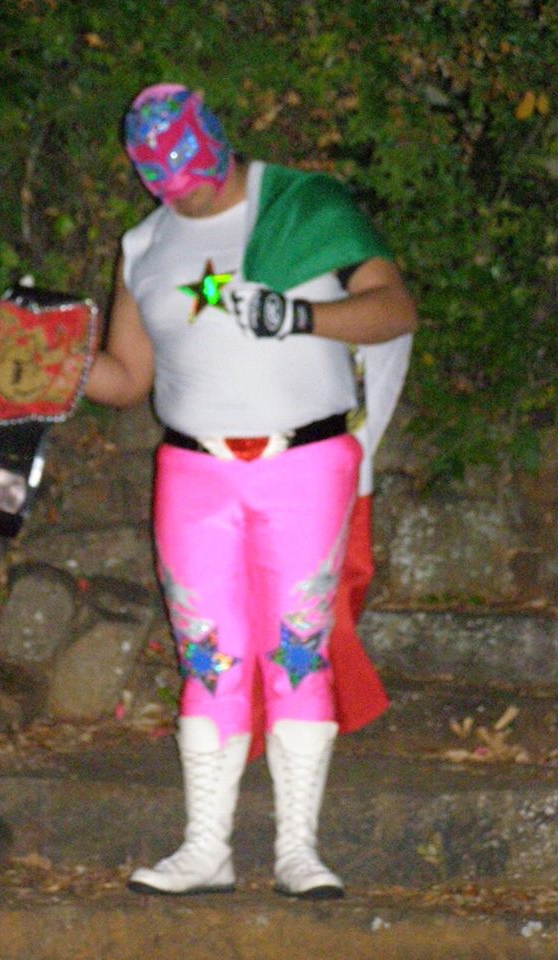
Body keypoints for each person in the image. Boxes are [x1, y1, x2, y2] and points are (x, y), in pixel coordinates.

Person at [84, 83, 417, 899]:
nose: (183, 194)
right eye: (162, 180)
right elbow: (126, 379)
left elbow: (394, 309)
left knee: (297, 652)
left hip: (302, 463)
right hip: (193, 473)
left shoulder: (300, 206)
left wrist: (301, 319)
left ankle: (299, 852)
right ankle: (206, 849)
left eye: (193, 174)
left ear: (219, 142)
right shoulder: (144, 244)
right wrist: (46, 365)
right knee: (208, 657)